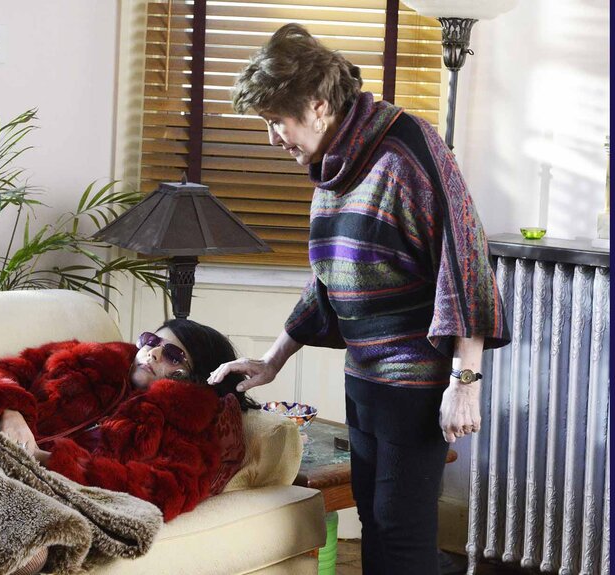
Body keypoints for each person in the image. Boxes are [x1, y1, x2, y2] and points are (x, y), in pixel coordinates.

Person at [208, 23, 510, 574]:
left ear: (319, 106)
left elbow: (464, 261)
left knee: (399, 536)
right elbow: (331, 277)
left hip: (414, 380)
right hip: (365, 376)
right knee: (375, 521)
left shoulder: (408, 150)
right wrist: (272, 360)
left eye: (277, 121)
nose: (271, 137)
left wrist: (466, 381)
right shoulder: (334, 167)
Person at [0, 318, 260, 522]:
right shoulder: (84, 357)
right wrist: (10, 413)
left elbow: (163, 492)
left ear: (192, 378)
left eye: (173, 356)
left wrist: (47, 460)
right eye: (151, 341)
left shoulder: (186, 430)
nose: (152, 354)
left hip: (36, 493)